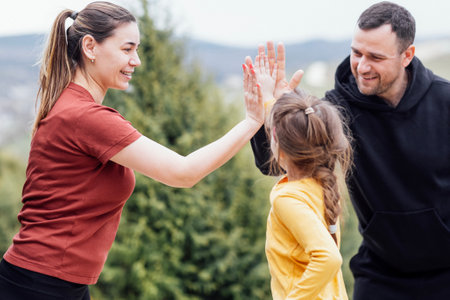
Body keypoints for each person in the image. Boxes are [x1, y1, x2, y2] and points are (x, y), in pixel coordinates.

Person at [0, 2, 264, 299]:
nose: (136, 60)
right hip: (41, 285)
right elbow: (183, 173)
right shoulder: (86, 117)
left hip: (51, 282)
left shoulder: (73, 107)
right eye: (127, 49)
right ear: (90, 47)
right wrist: (252, 121)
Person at [248, 1, 450, 300]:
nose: (362, 66)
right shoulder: (338, 109)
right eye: (357, 53)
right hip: (381, 274)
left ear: (407, 55)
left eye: (376, 57)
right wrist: (277, 111)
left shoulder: (444, 101)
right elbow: (277, 167)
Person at [250, 52, 352, 299]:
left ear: (278, 144)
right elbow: (291, 130)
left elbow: (328, 258)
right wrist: (268, 101)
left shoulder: (289, 199)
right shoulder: (321, 183)